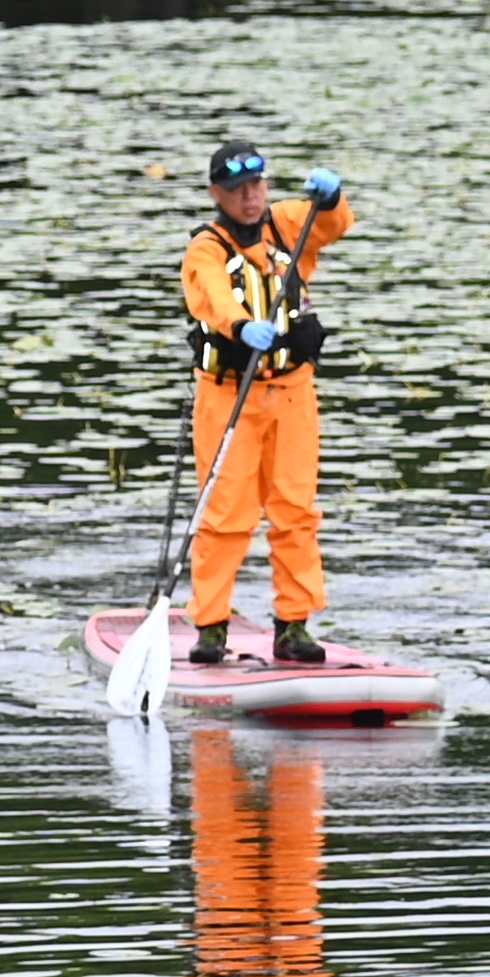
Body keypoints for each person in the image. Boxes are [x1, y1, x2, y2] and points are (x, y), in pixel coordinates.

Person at [176, 135, 354, 666]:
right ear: (217, 194)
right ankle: (210, 627)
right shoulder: (206, 246)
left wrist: (334, 195)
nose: (250, 198)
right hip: (230, 397)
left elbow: (336, 224)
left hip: (293, 394)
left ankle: (293, 625)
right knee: (226, 515)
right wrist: (239, 325)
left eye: (256, 185)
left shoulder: (287, 223)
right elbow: (210, 291)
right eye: (237, 189)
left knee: (295, 511)